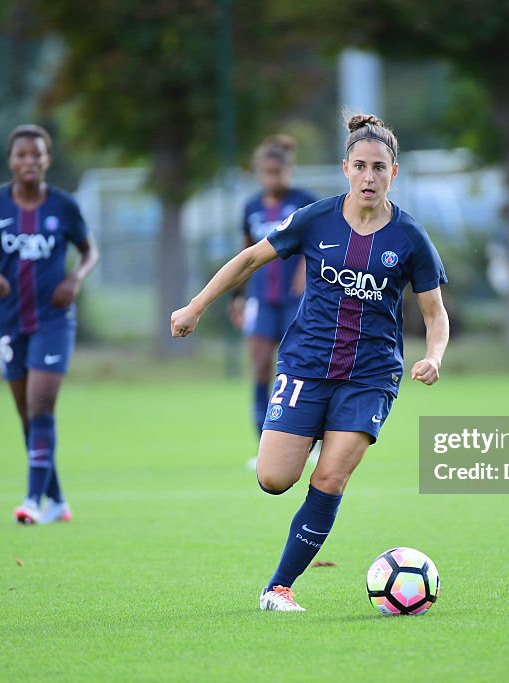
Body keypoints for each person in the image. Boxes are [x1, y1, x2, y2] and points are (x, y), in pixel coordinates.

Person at [170, 114, 449, 612]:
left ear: (394, 173)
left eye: (378, 168)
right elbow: (249, 259)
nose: (369, 176)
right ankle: (317, 435)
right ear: (345, 168)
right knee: (274, 479)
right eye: (360, 166)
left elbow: (434, 311)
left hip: (370, 376)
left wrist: (433, 355)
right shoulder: (315, 219)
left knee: (331, 478)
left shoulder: (410, 238)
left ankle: (278, 587)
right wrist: (195, 306)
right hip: (305, 365)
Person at [0, 124, 100, 525]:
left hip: (54, 320)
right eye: (22, 154)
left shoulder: (63, 205)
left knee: (41, 406)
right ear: (11, 160)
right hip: (9, 320)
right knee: (27, 415)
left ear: (47, 159)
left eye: (37, 154)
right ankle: (57, 501)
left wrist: (74, 279)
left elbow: (90, 251)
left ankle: (32, 501)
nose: (30, 161)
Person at [231, 135, 318, 439]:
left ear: (288, 171)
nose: (272, 178)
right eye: (266, 172)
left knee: (299, 368)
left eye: (278, 172)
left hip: (296, 300)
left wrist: (306, 271)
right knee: (260, 367)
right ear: (259, 172)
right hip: (261, 299)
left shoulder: (303, 202)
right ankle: (263, 440)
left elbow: (318, 245)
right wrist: (237, 297)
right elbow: (245, 254)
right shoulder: (251, 207)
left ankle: (308, 436)